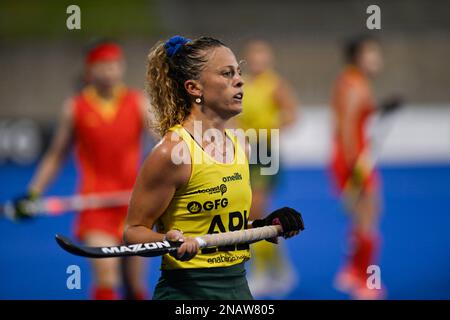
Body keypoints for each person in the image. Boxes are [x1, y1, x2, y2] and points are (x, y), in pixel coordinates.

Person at [123, 35, 304, 300]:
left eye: (239, 73)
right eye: (227, 73)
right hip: (187, 293)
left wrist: (264, 225)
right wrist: (167, 241)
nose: (240, 81)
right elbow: (133, 231)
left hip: (239, 291)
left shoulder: (241, 144)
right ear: (194, 88)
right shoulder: (172, 152)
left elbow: (222, 226)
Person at [13, 41, 151, 300]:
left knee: (133, 283)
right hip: (94, 206)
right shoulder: (75, 108)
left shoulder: (138, 103)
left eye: (114, 65)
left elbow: (166, 143)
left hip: (134, 205)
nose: (110, 71)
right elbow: (55, 156)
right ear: (90, 70)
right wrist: (33, 193)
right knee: (107, 275)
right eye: (103, 65)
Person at [234, 40, 299, 297]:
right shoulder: (241, 84)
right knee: (252, 213)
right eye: (254, 56)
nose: (259, 61)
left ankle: (262, 270)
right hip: (246, 151)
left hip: (265, 152)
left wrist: (270, 129)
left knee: (256, 211)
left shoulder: (276, 84)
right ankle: (280, 267)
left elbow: (292, 115)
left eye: (263, 56)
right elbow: (234, 114)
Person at [330, 35, 387, 300]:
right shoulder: (358, 86)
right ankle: (366, 281)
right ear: (357, 58)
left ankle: (352, 271)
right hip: (355, 160)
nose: (377, 59)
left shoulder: (346, 80)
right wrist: (356, 166)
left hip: (345, 158)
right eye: (371, 54)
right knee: (369, 217)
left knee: (360, 217)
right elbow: (348, 128)